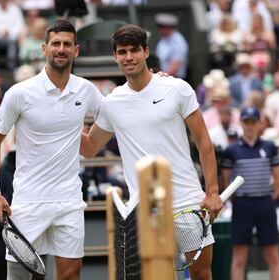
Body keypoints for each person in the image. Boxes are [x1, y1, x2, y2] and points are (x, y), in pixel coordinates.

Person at [80, 24, 222, 280]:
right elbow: (89, 148)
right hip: (144, 210)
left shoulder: (177, 88)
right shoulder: (111, 103)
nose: (129, 57)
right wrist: (61, 124)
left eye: (134, 50)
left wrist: (212, 191)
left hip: (188, 202)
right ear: (115, 56)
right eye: (122, 52)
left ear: (146, 52)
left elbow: (203, 141)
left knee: (202, 275)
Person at [0, 19, 103, 280]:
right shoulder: (19, 93)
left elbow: (117, 112)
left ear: (76, 50)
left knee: (71, 275)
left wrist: (153, 81)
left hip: (69, 200)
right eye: (56, 43)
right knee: (18, 278)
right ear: (44, 48)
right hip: (28, 200)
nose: (61, 49)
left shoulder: (87, 90)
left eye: (67, 44)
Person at [221, 107, 279, 280]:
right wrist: (236, 200)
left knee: (272, 254)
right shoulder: (231, 151)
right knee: (240, 256)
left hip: (265, 203)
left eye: (253, 122)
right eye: (246, 122)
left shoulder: (270, 147)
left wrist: (275, 193)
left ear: (259, 124)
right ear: (241, 123)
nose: (249, 126)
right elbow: (226, 183)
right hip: (242, 205)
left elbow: (278, 179)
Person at [154, 13, 188, 79]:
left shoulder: (178, 42)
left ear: (167, 28)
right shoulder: (163, 41)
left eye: (161, 27)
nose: (159, 30)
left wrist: (159, 79)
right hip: (164, 78)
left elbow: (174, 68)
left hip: (174, 79)